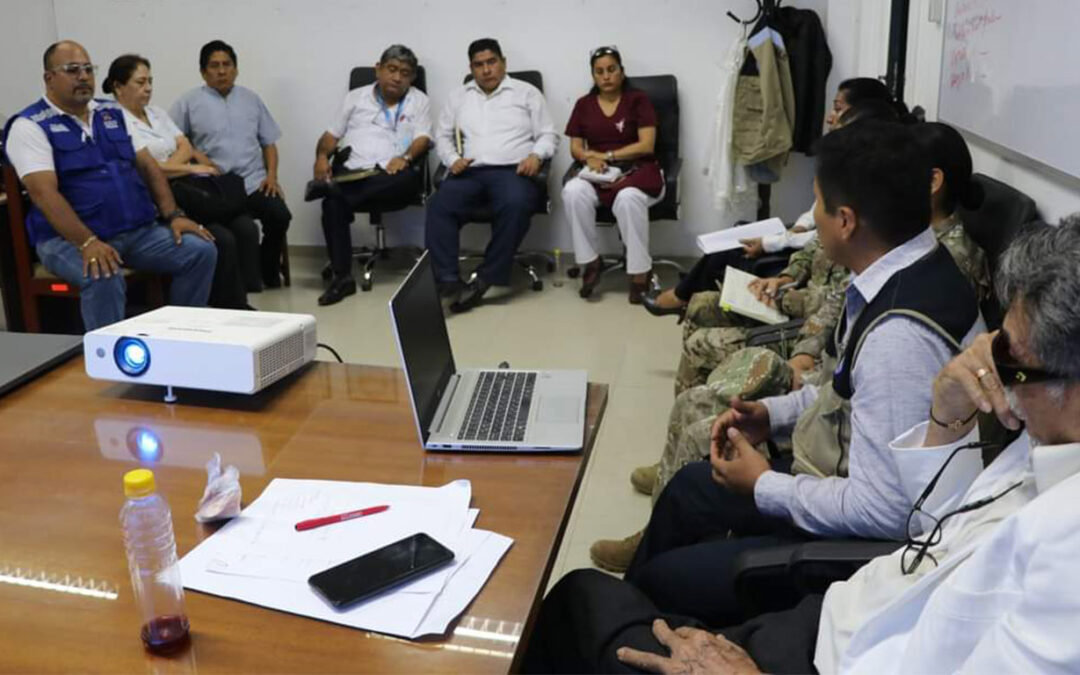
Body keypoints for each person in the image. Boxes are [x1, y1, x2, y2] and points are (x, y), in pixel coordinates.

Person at [523, 217, 1080, 675]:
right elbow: (934, 521)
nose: (995, 373)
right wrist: (946, 414)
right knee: (681, 509)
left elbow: (895, 517)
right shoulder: (1047, 443)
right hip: (847, 616)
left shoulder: (1067, 552)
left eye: (1012, 363)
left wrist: (767, 486)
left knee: (582, 603)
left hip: (833, 650)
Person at [601, 122, 988, 620]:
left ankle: (638, 627)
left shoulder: (899, 339)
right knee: (688, 490)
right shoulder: (902, 271)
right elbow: (845, 389)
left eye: (819, 206)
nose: (815, 221)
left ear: (846, 221)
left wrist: (764, 485)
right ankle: (622, 622)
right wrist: (772, 413)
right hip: (839, 477)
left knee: (665, 580)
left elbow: (888, 512)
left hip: (867, 548)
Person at [1, 41, 217, 331]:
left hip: (136, 231)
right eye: (72, 70)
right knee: (103, 273)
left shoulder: (111, 113)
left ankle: (179, 336)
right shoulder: (31, 126)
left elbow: (148, 167)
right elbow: (43, 193)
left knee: (200, 250)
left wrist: (174, 215)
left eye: (88, 69)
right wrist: (87, 242)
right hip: (66, 240)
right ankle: (109, 366)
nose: (83, 76)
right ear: (49, 78)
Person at [644, 78, 900, 318]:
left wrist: (772, 244)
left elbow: (821, 238)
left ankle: (682, 296)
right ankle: (687, 294)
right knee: (739, 232)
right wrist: (798, 227)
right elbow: (815, 213)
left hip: (810, 270)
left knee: (736, 248)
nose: (830, 118)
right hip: (805, 248)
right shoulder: (848, 167)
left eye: (838, 109)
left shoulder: (865, 183)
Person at [104, 53, 250, 309]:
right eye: (140, 83)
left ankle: (238, 303)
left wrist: (173, 167)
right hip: (157, 198)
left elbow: (184, 144)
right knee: (219, 237)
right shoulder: (113, 121)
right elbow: (145, 168)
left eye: (150, 81)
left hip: (184, 187)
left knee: (242, 226)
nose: (148, 88)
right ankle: (224, 307)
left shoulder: (156, 113)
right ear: (118, 86)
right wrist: (189, 169)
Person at [426, 38, 559, 313]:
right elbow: (442, 136)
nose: (486, 70)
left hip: (514, 170)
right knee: (439, 205)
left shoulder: (526, 93)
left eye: (491, 62)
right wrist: (452, 160)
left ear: (503, 62)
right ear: (471, 68)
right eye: (479, 65)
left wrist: (536, 156)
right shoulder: (459, 96)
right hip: (471, 172)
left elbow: (548, 134)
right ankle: (448, 282)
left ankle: (485, 279)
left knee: (516, 204)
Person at [312, 44, 432, 306]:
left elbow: (423, 138)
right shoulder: (355, 97)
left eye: (405, 73)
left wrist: (406, 157)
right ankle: (342, 278)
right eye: (391, 69)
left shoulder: (418, 100)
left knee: (337, 194)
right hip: (354, 170)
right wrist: (321, 158)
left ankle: (333, 188)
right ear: (378, 69)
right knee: (332, 203)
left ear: (412, 77)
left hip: (394, 175)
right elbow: (331, 136)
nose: (397, 77)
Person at [170, 39, 291, 291]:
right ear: (203, 72)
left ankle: (267, 267)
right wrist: (197, 156)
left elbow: (269, 143)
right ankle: (241, 277)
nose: (222, 71)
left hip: (253, 182)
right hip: (218, 188)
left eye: (227, 65)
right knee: (241, 229)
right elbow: (174, 141)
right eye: (214, 66)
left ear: (236, 69)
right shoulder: (188, 103)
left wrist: (271, 176)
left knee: (280, 214)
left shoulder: (251, 99)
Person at [562, 46, 664, 304]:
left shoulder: (638, 99)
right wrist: (589, 158)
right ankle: (591, 262)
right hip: (600, 176)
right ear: (593, 76)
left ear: (621, 72)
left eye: (611, 70)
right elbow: (575, 147)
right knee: (573, 192)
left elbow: (646, 145)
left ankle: (640, 273)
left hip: (638, 173)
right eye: (599, 72)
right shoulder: (583, 104)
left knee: (628, 198)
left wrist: (607, 157)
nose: (606, 76)